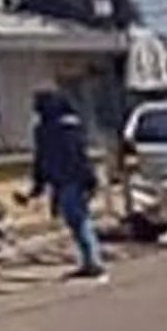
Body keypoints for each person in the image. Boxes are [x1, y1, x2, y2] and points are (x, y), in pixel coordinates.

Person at [24, 87, 106, 279]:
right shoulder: (45, 128)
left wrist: (88, 180)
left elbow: (78, 156)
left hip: (72, 181)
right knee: (76, 221)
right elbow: (41, 158)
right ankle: (89, 261)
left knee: (79, 220)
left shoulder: (66, 128)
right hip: (62, 181)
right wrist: (38, 186)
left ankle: (93, 262)